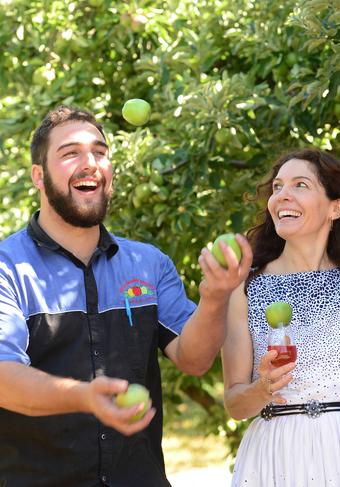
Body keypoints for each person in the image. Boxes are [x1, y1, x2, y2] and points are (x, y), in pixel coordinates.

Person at [0, 106, 252, 486]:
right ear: (39, 175)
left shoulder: (148, 263)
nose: (90, 164)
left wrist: (216, 295)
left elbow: (194, 359)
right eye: (70, 153)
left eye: (100, 152)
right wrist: (84, 397)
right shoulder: (7, 267)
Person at [221, 148, 340, 486]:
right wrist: (263, 388)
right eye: (278, 187)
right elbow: (235, 404)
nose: (282, 195)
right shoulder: (243, 287)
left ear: (335, 207)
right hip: (274, 458)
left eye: (300, 185)